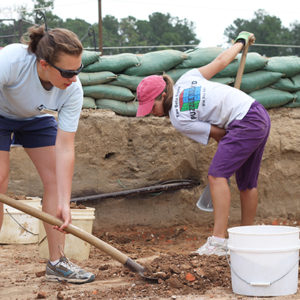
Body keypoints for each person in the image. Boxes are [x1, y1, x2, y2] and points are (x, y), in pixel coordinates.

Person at [135, 32, 271, 256]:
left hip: (243, 122)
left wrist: (225, 144)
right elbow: (221, 61)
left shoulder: (179, 119)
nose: (151, 113)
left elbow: (220, 133)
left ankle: (218, 241)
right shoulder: (188, 78)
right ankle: (248, 238)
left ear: (162, 95)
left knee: (217, 176)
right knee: (247, 183)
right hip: (257, 112)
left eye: (152, 106)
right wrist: (241, 42)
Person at [0, 25, 95, 283]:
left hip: (34, 117)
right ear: (43, 64)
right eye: (67, 72)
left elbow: (65, 147)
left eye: (78, 71)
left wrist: (64, 201)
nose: (73, 78)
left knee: (54, 179)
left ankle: (57, 262)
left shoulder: (72, 90)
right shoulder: (11, 61)